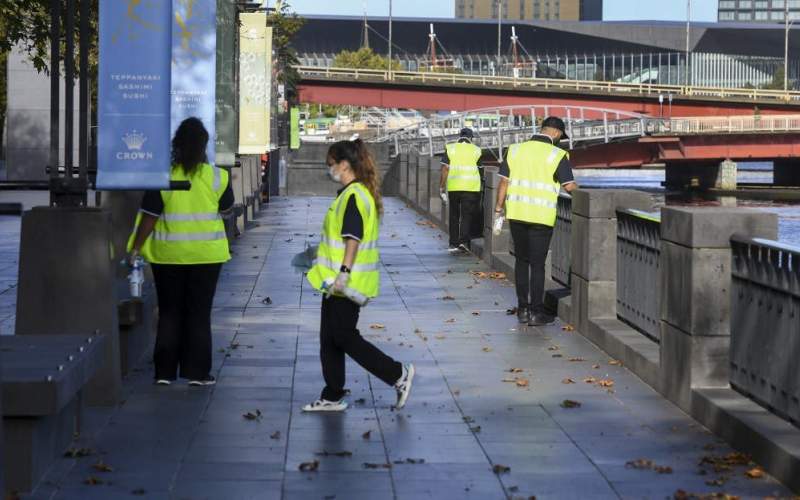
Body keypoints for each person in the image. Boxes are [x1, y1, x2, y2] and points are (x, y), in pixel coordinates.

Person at [304, 139, 415, 412]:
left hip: (346, 282)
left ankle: (397, 374)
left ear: (344, 165)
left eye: (331, 164)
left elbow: (352, 238)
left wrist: (343, 272)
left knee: (343, 337)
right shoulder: (355, 193)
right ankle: (332, 395)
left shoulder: (353, 196)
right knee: (330, 337)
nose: (329, 169)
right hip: (336, 281)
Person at [127, 117, 234, 386]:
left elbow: (150, 217)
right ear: (204, 145)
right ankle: (197, 373)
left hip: (168, 256)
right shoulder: (218, 176)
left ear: (176, 144)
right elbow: (226, 209)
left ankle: (164, 373)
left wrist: (136, 248)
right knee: (199, 314)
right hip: (207, 256)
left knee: (170, 312)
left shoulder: (163, 175)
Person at [494, 116, 578, 326]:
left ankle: (522, 309)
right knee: (537, 265)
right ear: (557, 133)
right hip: (541, 217)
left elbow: (504, 182)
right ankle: (536, 312)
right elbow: (569, 186)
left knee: (521, 262)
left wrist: (498, 208)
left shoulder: (514, 150)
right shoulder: (557, 154)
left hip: (517, 213)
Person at [440, 128, 483, 254]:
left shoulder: (450, 148)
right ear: (471, 138)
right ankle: (463, 242)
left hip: (454, 187)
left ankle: (453, 243)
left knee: (454, 215)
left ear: (460, 136)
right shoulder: (476, 150)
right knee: (466, 215)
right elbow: (481, 170)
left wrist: (442, 186)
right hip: (471, 187)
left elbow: (445, 169)